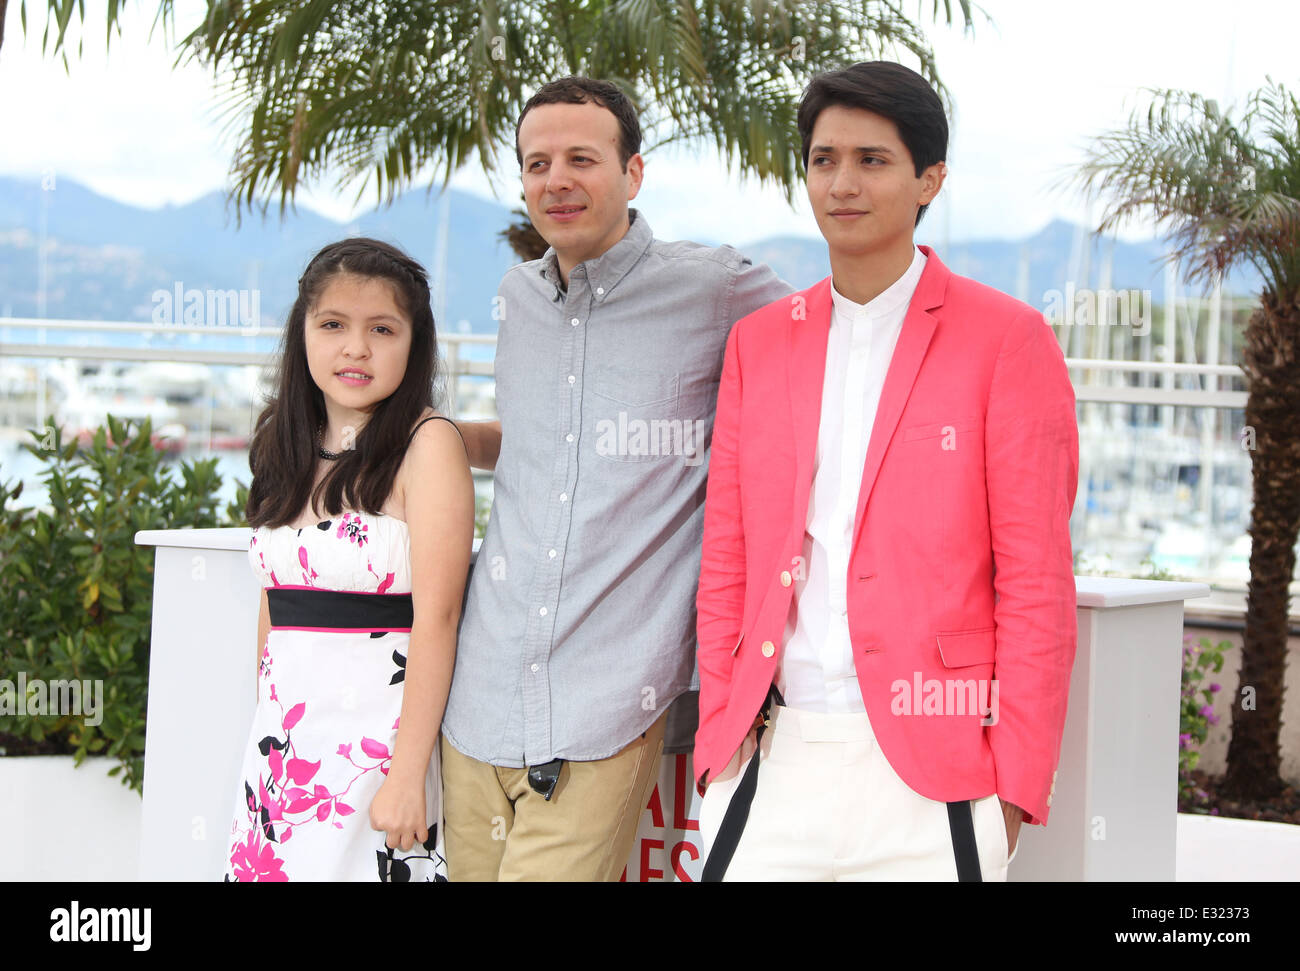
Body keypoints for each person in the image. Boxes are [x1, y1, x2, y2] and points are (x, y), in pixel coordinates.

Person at [693, 61, 1080, 881]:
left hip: (936, 775)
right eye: (824, 158)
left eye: (873, 160)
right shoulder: (759, 343)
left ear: (928, 179)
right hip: (772, 760)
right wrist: (715, 746)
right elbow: (726, 557)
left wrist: (1012, 789)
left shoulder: (1006, 341)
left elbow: (1036, 584)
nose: (842, 182)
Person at [441, 76, 793, 881]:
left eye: (580, 158)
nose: (555, 179)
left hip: (610, 696)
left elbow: (833, 354)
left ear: (633, 174)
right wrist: (423, 438)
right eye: (536, 163)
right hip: (480, 693)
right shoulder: (514, 298)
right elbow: (535, 446)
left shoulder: (715, 288)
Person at [224, 238, 474, 881]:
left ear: (413, 344)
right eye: (333, 324)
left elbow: (439, 619)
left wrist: (408, 773)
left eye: (381, 329)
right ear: (302, 331)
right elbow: (273, 612)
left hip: (381, 754)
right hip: (284, 759)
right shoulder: (280, 443)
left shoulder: (428, 445)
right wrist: (265, 740)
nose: (355, 347)